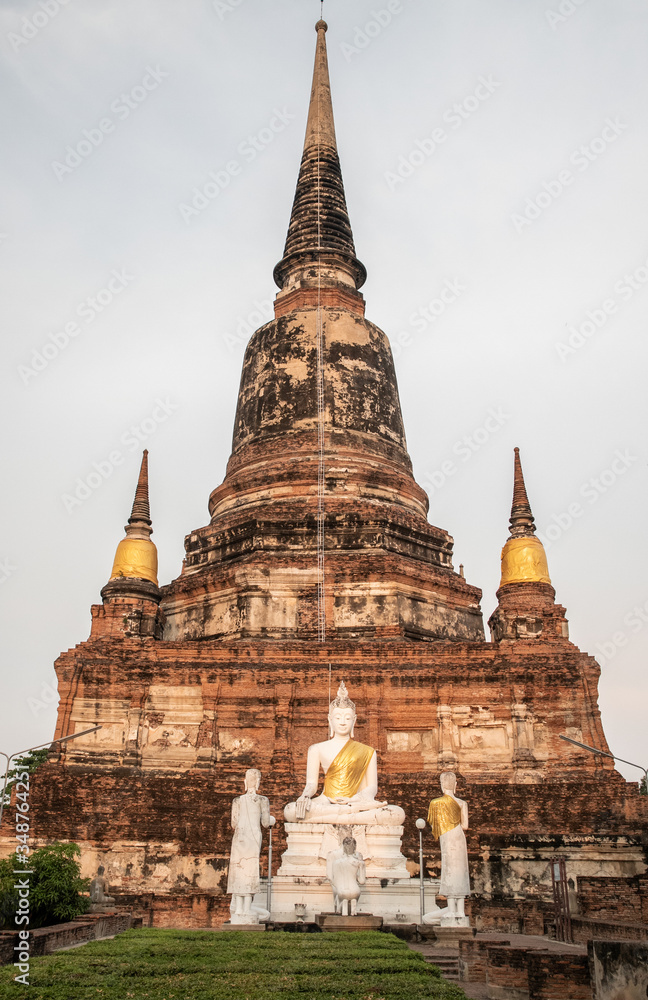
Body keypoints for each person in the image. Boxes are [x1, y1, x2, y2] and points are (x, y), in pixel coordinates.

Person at [284, 682, 404, 826]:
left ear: (354, 720)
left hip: (356, 803)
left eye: (347, 718)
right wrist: (304, 796)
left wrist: (354, 800)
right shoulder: (316, 749)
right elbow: (311, 784)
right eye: (338, 718)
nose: (342, 722)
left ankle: (338, 815)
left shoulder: (368, 751)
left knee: (395, 813)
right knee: (291, 810)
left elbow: (372, 788)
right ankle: (344, 815)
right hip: (326, 801)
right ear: (330, 720)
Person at [227, 768, 273, 921]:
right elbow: (266, 823)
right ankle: (246, 909)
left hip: (240, 836)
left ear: (245, 782)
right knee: (250, 870)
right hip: (253, 837)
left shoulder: (237, 801)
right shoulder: (262, 800)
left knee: (239, 870)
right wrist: (272, 820)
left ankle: (239, 910)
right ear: (258, 782)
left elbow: (234, 823)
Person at [426, 771, 470, 925]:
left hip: (447, 837)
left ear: (441, 785)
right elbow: (465, 826)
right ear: (455, 785)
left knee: (449, 870)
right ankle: (460, 911)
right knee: (460, 870)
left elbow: (433, 824)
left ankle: (451, 909)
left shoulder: (435, 803)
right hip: (459, 836)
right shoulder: (462, 803)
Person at [327, 836, 366, 916]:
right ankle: (353, 908)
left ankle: (342, 905)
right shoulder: (360, 863)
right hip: (355, 891)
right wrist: (356, 876)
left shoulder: (336, 863)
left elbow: (334, 881)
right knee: (355, 893)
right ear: (355, 848)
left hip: (342, 891)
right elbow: (362, 881)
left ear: (343, 848)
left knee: (340, 895)